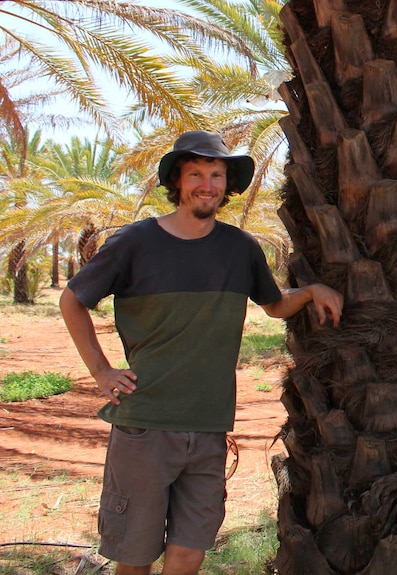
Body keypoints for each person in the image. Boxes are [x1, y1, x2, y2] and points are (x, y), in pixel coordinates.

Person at [59, 130, 343, 574]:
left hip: (209, 427)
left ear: (226, 186)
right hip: (146, 425)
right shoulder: (135, 243)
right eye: (196, 174)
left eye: (216, 175)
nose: (206, 184)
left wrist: (310, 291)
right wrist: (101, 371)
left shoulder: (240, 248)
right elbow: (72, 300)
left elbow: (273, 306)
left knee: (190, 549)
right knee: (135, 554)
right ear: (178, 181)